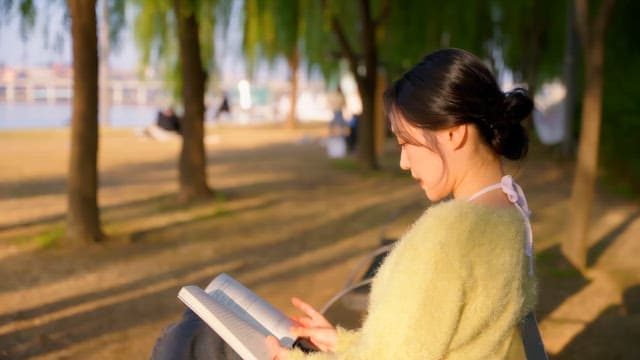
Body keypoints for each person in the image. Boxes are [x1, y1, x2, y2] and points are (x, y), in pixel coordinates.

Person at [267, 48, 538, 359]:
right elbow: (444, 342)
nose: (403, 162)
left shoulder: (449, 235)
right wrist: (342, 343)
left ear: (453, 133)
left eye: (406, 142)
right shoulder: (511, 212)